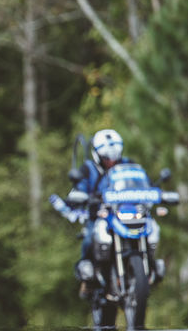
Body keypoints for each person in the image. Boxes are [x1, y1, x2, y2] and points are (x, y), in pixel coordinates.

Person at [50, 128, 131, 298]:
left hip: (123, 214)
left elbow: (141, 183)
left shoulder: (128, 165)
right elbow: (80, 189)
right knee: (89, 238)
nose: (112, 162)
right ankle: (87, 277)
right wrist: (84, 198)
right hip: (99, 214)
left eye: (115, 157)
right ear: (98, 155)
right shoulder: (88, 169)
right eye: (107, 158)